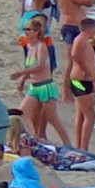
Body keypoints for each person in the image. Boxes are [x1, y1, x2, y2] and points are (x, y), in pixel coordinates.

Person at [12, 16, 71, 146]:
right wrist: (22, 81)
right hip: (34, 86)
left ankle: (67, 143)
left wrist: (20, 73)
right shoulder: (29, 46)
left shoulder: (41, 46)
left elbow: (39, 66)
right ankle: (34, 138)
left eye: (29, 29)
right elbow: (30, 67)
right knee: (23, 112)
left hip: (45, 86)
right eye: (25, 29)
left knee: (52, 118)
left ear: (36, 32)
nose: (26, 32)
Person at [57, 0, 95, 102]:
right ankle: (66, 92)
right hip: (71, 29)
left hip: (77, 29)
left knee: (82, 61)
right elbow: (88, 2)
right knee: (72, 61)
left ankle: (78, 89)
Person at [69, 18, 95, 150]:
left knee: (81, 114)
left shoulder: (84, 41)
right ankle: (84, 147)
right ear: (90, 29)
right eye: (94, 29)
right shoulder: (80, 39)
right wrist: (86, 70)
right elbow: (75, 55)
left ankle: (81, 146)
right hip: (80, 81)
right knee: (90, 115)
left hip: (83, 81)